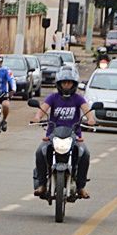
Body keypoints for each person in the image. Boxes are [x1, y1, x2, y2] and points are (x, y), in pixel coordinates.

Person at [31, 67, 95, 199]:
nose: (66, 85)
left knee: (85, 154)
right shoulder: (53, 97)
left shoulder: (78, 99)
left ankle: (81, 187)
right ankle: (42, 184)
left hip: (74, 136)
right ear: (59, 84)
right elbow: (43, 109)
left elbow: (87, 110)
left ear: (74, 84)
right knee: (39, 152)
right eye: (64, 82)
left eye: (69, 82)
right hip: (53, 135)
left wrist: (91, 119)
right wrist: (37, 117)